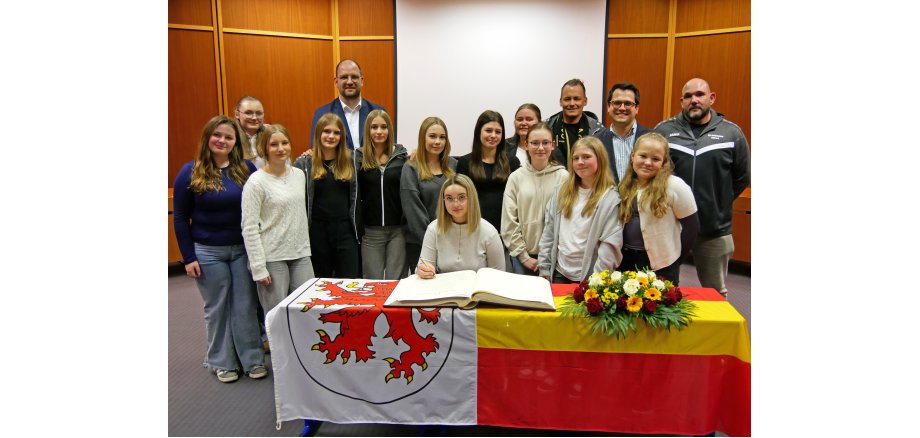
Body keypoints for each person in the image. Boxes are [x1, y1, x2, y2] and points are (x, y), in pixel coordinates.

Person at [173, 115, 267, 383]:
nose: (222, 141)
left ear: (236, 142)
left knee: (245, 306)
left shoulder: (245, 169)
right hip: (207, 252)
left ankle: (251, 359)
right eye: (218, 135)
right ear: (208, 138)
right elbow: (180, 218)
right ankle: (222, 361)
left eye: (228, 137)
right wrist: (188, 257)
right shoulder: (190, 172)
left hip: (241, 249)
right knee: (217, 307)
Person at [654, 78, 751, 297]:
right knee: (663, 291)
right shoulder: (664, 131)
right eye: (688, 96)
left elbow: (742, 177)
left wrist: (719, 201)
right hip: (671, 228)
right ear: (681, 101)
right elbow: (652, 173)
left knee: (715, 293)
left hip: (714, 230)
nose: (694, 100)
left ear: (711, 98)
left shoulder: (731, 133)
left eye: (700, 94)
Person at [242, 124, 315, 320]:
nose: (281, 148)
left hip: (301, 254)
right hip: (272, 258)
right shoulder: (256, 182)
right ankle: (278, 353)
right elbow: (249, 228)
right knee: (277, 317)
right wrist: (258, 267)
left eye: (285, 143)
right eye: (274, 144)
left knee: (306, 311)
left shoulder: (299, 175)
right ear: (264, 148)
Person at [616, 133, 699, 284]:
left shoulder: (674, 185)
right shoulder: (625, 184)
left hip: (661, 265)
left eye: (655, 159)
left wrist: (677, 260)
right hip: (625, 260)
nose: (648, 162)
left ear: (663, 162)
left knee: (659, 306)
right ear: (633, 156)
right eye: (643, 156)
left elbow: (691, 227)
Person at [538, 136, 622, 284]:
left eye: (586, 157)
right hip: (559, 273)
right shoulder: (561, 192)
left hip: (590, 279)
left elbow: (610, 246)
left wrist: (596, 281)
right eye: (575, 158)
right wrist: (544, 267)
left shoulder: (610, 199)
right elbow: (549, 232)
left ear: (600, 159)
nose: (580, 162)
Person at [293, 114, 361, 278]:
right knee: (320, 284)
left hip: (345, 230)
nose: (331, 136)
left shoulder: (352, 159)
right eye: (326, 131)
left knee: (350, 282)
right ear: (318, 134)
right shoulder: (304, 163)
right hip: (316, 231)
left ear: (342, 136)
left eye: (336, 132)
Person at [456, 110, 520, 272]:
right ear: (479, 132)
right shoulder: (465, 162)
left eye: (498, 132)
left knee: (501, 280)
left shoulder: (512, 161)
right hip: (474, 232)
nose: (493, 135)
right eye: (488, 130)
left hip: (504, 232)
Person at [501, 122, 568, 276]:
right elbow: (509, 221)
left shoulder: (563, 177)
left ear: (553, 145)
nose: (540, 148)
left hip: (555, 258)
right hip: (522, 258)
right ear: (526, 145)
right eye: (535, 143)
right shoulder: (516, 178)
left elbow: (568, 221)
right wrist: (524, 257)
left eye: (545, 143)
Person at [415, 175, 506, 278]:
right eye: (449, 198)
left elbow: (499, 276)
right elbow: (424, 266)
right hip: (444, 290)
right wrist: (422, 270)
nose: (456, 204)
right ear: (443, 201)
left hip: (476, 292)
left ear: (471, 198)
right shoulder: (434, 229)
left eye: (461, 197)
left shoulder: (489, 232)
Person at [354, 110, 409, 280]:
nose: (379, 131)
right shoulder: (357, 157)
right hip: (371, 232)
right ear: (368, 130)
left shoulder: (401, 157)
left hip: (398, 231)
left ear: (389, 130)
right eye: (374, 127)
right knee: (372, 283)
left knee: (396, 283)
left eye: (383, 127)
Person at [401, 117, 458, 276]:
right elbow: (413, 211)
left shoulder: (453, 165)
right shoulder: (411, 168)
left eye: (442, 137)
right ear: (422, 138)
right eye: (432, 136)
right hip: (420, 244)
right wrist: (433, 242)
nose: (437, 141)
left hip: (451, 243)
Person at [310, 59, 386, 150]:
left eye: (354, 77)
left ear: (361, 81)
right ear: (336, 82)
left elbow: (387, 147)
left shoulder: (377, 112)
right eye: (344, 77)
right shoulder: (322, 114)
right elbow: (316, 150)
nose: (349, 82)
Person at [592, 83, 652, 184]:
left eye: (628, 103)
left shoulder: (652, 139)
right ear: (609, 107)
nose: (622, 108)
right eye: (617, 103)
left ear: (636, 108)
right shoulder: (596, 141)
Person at [545, 79, 603, 167]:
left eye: (576, 99)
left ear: (585, 101)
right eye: (567, 99)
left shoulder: (599, 131)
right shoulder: (547, 127)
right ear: (561, 101)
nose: (572, 103)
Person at [235, 95, 267, 169]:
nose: (254, 118)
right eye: (248, 113)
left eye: (259, 113)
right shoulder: (230, 137)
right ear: (237, 114)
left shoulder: (270, 135)